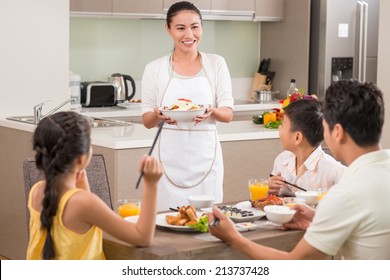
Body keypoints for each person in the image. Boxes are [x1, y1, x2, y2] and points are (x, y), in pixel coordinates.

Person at [208, 80, 390, 259]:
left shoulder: (345, 193)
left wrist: (233, 237)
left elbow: (294, 265)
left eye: (325, 127)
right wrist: (319, 217)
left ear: (337, 132)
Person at [26, 111, 163, 260]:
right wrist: (151, 184)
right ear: (80, 159)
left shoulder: (37, 191)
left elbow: (81, 227)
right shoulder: (83, 203)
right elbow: (142, 237)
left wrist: (81, 181)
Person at [141, 1, 234, 211]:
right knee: (166, 221)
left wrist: (212, 111)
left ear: (201, 27)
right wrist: (157, 115)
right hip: (167, 160)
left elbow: (227, 114)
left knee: (208, 221)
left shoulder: (216, 64)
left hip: (206, 159)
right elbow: (147, 121)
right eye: (180, 28)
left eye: (194, 27)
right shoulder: (154, 69)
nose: (189, 34)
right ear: (168, 29)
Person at [268, 98, 346, 196]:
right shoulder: (281, 160)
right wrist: (271, 190)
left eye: (282, 125)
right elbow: (272, 202)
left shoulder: (334, 172)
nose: (279, 128)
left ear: (297, 137)